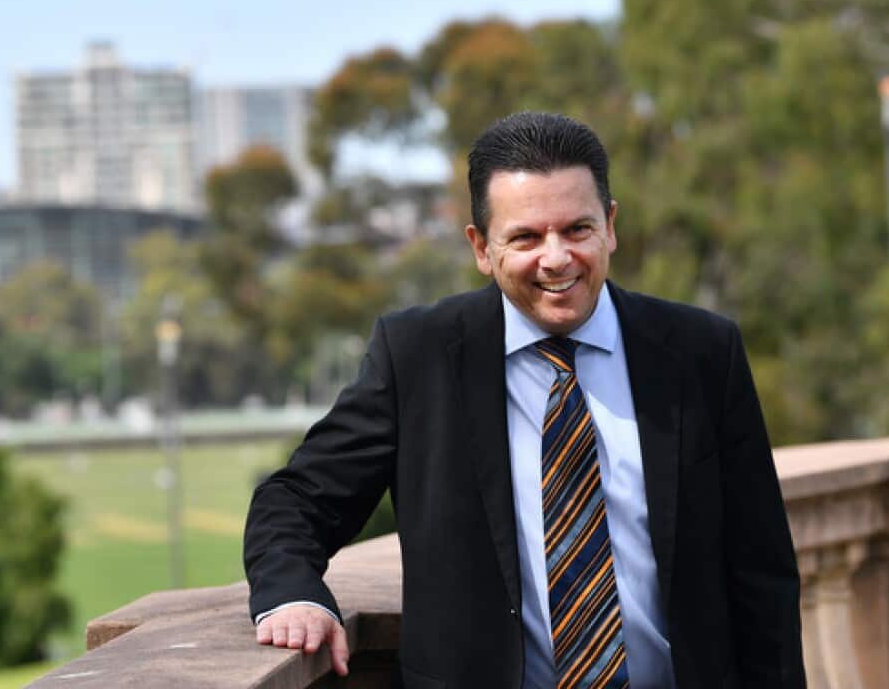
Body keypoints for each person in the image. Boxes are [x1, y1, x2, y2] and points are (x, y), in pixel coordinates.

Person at [243, 111, 805, 689]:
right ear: (482, 248)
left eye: (577, 229)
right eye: (527, 237)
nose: (556, 258)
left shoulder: (703, 353)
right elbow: (296, 500)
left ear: (610, 227)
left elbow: (763, 574)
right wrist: (293, 595)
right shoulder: (418, 356)